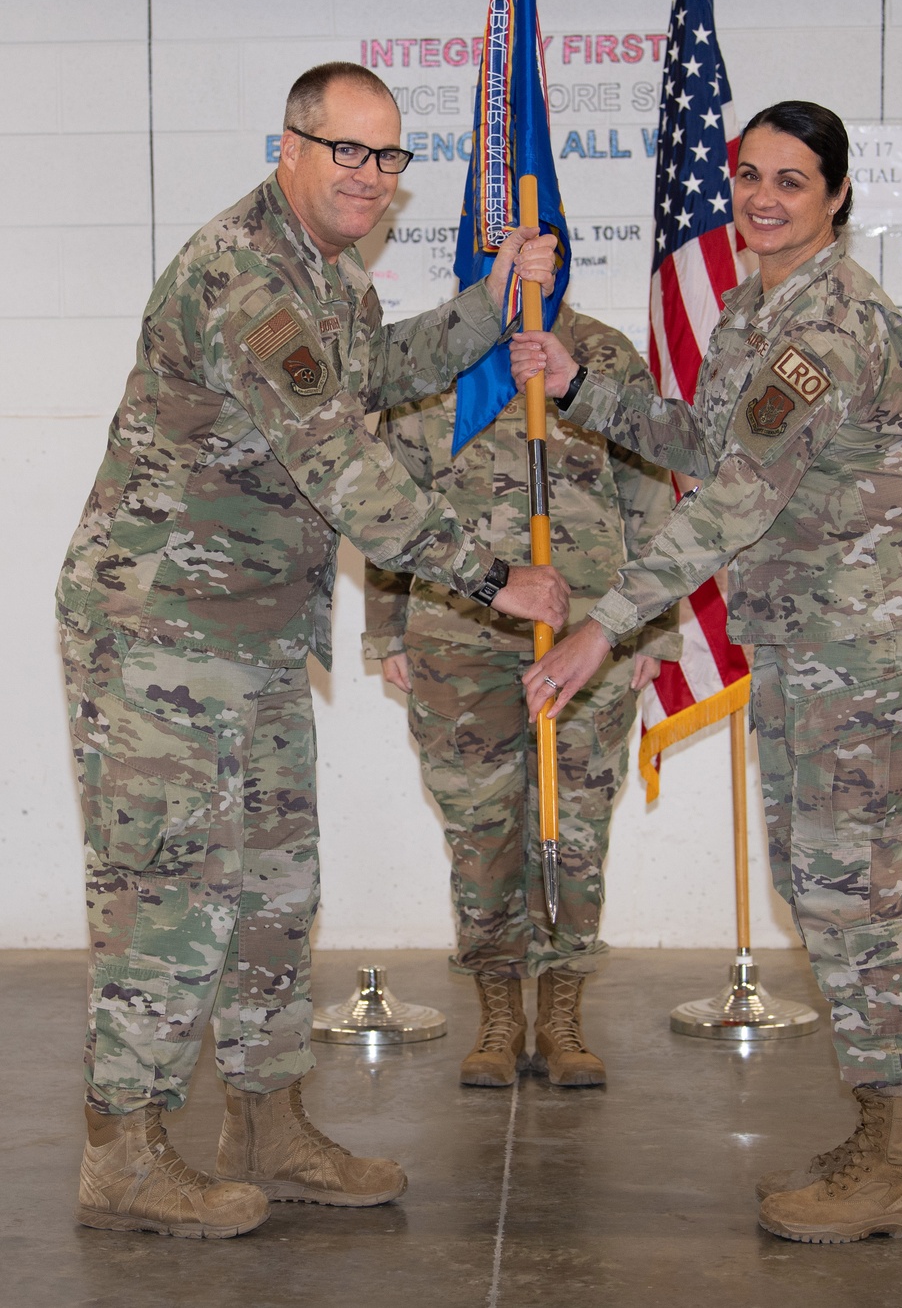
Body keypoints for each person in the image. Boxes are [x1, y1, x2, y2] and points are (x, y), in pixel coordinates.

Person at [56, 61, 567, 1240]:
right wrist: (494, 576)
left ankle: (267, 1125)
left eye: (389, 159)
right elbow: (346, 471)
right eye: (347, 152)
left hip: (255, 634)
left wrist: (491, 304)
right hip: (159, 635)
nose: (370, 180)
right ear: (285, 145)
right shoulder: (247, 277)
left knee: (279, 892)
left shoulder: (328, 277)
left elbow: (377, 378)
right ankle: (121, 1148)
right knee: (168, 894)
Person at [509, 102, 902, 1245]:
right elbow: (705, 445)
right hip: (815, 637)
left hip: (868, 642)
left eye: (794, 181)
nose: (764, 197)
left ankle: (900, 1161)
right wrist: (580, 385)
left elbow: (732, 498)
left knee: (848, 897)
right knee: (822, 886)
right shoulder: (756, 303)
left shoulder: (828, 327)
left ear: (837, 199)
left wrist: (603, 625)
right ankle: (882, 1126)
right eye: (750, 175)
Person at [363, 304, 680, 1089]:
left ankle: (563, 1010)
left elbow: (648, 492)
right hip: (456, 630)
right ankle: (499, 1012)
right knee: (480, 835)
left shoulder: (602, 352)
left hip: (588, 633)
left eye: (534, 247)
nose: (518, 264)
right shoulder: (434, 355)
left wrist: (655, 634)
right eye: (499, 244)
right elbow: (383, 500)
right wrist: (385, 630)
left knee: (576, 831)